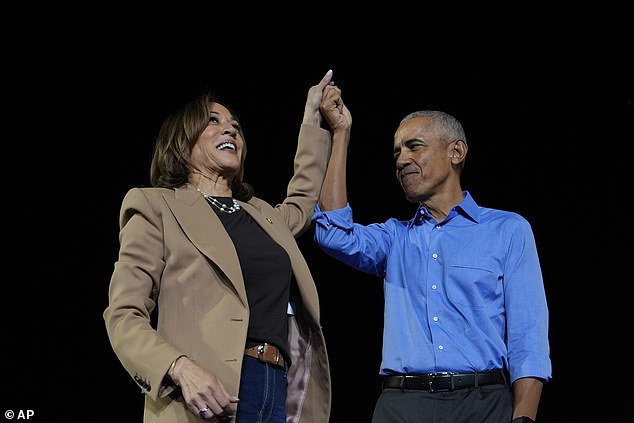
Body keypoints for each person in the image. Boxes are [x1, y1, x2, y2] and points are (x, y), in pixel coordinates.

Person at [103, 70, 339, 423]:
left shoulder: (262, 215)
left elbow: (304, 196)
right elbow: (123, 316)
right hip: (206, 396)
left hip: (277, 388)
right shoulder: (155, 206)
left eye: (236, 125)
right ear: (182, 144)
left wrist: (313, 117)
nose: (230, 129)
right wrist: (179, 369)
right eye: (213, 121)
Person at [312, 96, 552, 423]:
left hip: (482, 404)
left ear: (456, 152)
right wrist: (341, 132)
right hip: (402, 405)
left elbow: (528, 338)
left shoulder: (508, 230)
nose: (401, 160)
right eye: (397, 152)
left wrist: (523, 418)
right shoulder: (394, 237)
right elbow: (333, 233)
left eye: (414, 147)